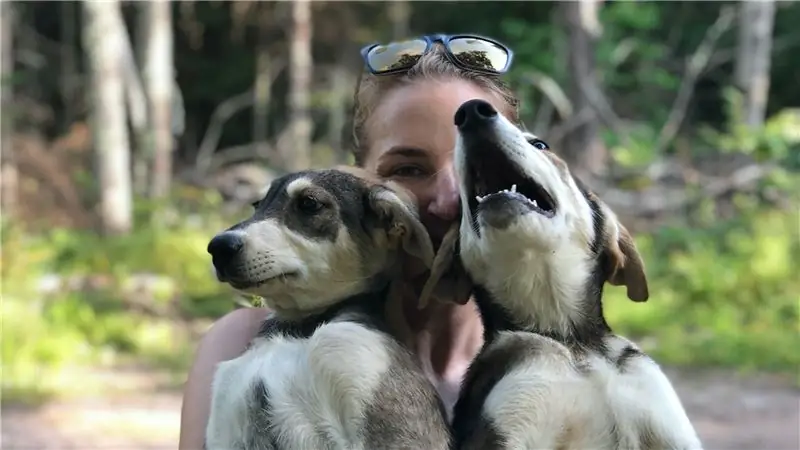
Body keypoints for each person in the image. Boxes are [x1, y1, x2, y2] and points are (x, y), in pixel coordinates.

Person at [179, 34, 521, 449]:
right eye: (409, 168)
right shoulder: (240, 345)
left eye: (475, 162)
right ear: (357, 180)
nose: (449, 200)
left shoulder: (558, 373)